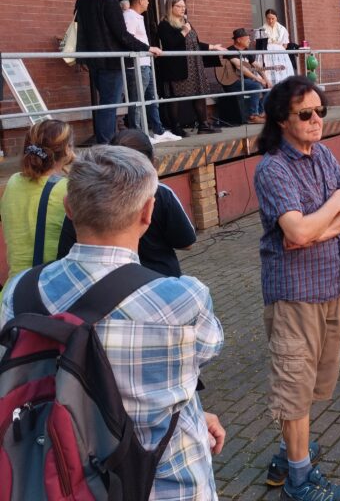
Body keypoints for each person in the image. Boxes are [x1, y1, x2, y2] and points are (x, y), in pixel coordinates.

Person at [2, 145, 226, 498]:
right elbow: (199, 357)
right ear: (148, 212)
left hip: (60, 477)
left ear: (69, 209)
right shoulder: (183, 299)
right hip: (166, 482)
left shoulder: (20, 293)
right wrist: (192, 417)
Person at [253, 76, 340, 499]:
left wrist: (318, 228)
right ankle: (298, 481)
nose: (317, 120)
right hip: (295, 294)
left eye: (320, 111)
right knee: (294, 387)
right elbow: (295, 228)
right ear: (282, 119)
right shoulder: (273, 168)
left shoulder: (322, 154)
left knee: (313, 382)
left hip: (331, 284)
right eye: (306, 114)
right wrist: (331, 210)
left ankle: (288, 451)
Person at [58, 129, 196, 278]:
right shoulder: (161, 193)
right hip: (159, 276)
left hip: (92, 280)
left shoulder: (83, 192)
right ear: (147, 210)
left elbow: (65, 249)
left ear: (69, 207)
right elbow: (186, 242)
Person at [73, 0, 162, 144]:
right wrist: (146, 47)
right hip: (112, 62)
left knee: (105, 103)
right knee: (110, 104)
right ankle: (106, 143)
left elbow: (78, 31)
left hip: (93, 60)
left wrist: (81, 57)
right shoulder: (110, 0)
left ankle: (105, 139)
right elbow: (121, 34)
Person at [1, 119, 74, 282]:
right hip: (51, 290)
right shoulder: (69, 188)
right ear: (67, 150)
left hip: (13, 290)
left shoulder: (13, 182)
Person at [156, 0, 226, 136]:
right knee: (175, 97)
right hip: (177, 66)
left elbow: (196, 43)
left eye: (184, 6)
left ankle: (203, 124)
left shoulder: (186, 23)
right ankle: (175, 127)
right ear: (171, 7)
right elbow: (170, 43)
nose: (183, 9)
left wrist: (213, 47)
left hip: (194, 65)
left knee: (199, 94)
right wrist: (184, 31)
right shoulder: (164, 24)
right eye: (179, 6)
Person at [122, 0, 180, 143]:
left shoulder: (136, 17)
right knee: (138, 101)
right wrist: (148, 49)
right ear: (140, 0)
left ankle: (158, 131)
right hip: (137, 66)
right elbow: (128, 40)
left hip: (145, 65)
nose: (148, 3)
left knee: (152, 99)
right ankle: (137, 136)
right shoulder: (130, 17)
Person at [216, 28, 269, 124]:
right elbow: (239, 66)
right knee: (256, 86)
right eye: (247, 38)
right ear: (239, 40)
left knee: (266, 86)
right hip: (232, 82)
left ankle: (261, 113)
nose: (250, 40)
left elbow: (257, 65)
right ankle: (252, 116)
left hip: (245, 81)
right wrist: (257, 78)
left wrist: (266, 80)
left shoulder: (247, 51)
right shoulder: (230, 50)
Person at [259, 8, 295, 87]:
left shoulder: (282, 29)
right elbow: (257, 44)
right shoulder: (261, 30)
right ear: (266, 18)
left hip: (280, 54)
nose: (270, 21)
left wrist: (279, 52)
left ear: (276, 18)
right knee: (269, 71)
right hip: (266, 54)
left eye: (273, 18)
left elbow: (285, 44)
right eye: (268, 18)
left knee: (281, 72)